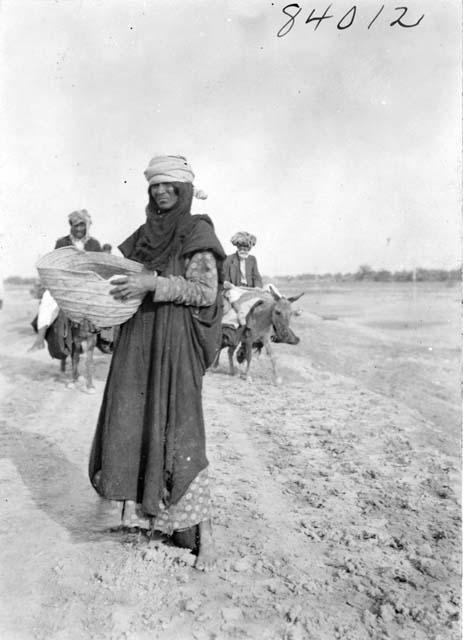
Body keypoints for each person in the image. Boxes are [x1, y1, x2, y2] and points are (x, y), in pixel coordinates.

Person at [88, 154, 225, 572]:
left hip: (176, 342)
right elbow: (123, 276)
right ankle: (152, 519)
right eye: (154, 187)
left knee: (180, 428)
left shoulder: (197, 232)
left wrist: (154, 284)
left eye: (169, 186)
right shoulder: (145, 234)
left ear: (184, 190)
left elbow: (205, 292)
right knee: (135, 421)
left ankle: (194, 535)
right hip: (140, 340)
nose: (161, 192)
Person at [29, 209, 101, 352]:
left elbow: (99, 267)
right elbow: (56, 264)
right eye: (76, 225)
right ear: (71, 226)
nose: (79, 229)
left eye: (82, 225)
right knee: (47, 300)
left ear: (87, 226)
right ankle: (40, 339)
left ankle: (104, 339)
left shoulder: (94, 244)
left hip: (87, 284)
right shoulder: (62, 242)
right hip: (65, 284)